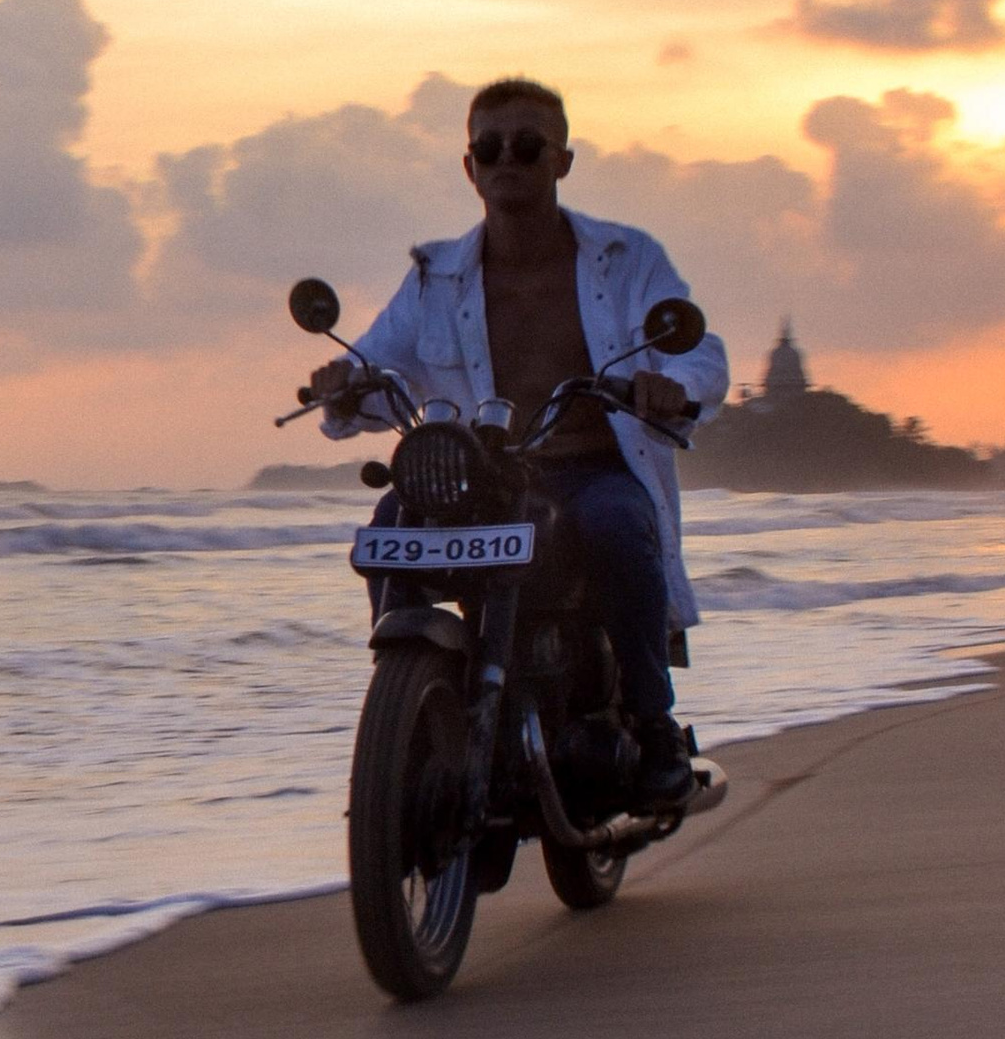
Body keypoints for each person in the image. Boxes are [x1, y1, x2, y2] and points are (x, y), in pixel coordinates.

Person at [301, 78, 730, 805]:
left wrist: (672, 385)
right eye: (490, 148)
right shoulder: (436, 274)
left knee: (620, 527)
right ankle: (410, 710)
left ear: (562, 160)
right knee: (392, 523)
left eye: (528, 146)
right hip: (481, 477)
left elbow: (699, 352)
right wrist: (345, 381)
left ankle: (653, 723)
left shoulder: (626, 258)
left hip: (590, 469)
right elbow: (381, 363)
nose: (508, 160)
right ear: (470, 166)